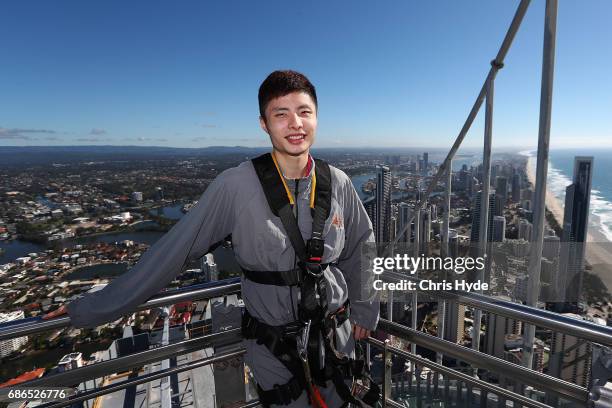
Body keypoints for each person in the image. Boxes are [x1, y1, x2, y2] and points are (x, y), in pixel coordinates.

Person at [46, 70, 379, 407]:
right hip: (276, 351)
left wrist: (365, 310)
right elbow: (173, 252)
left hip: (337, 340)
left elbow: (361, 245)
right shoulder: (236, 186)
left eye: (304, 112)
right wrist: (88, 309)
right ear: (264, 123)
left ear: (317, 118)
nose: (295, 123)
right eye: (281, 114)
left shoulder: (337, 182)